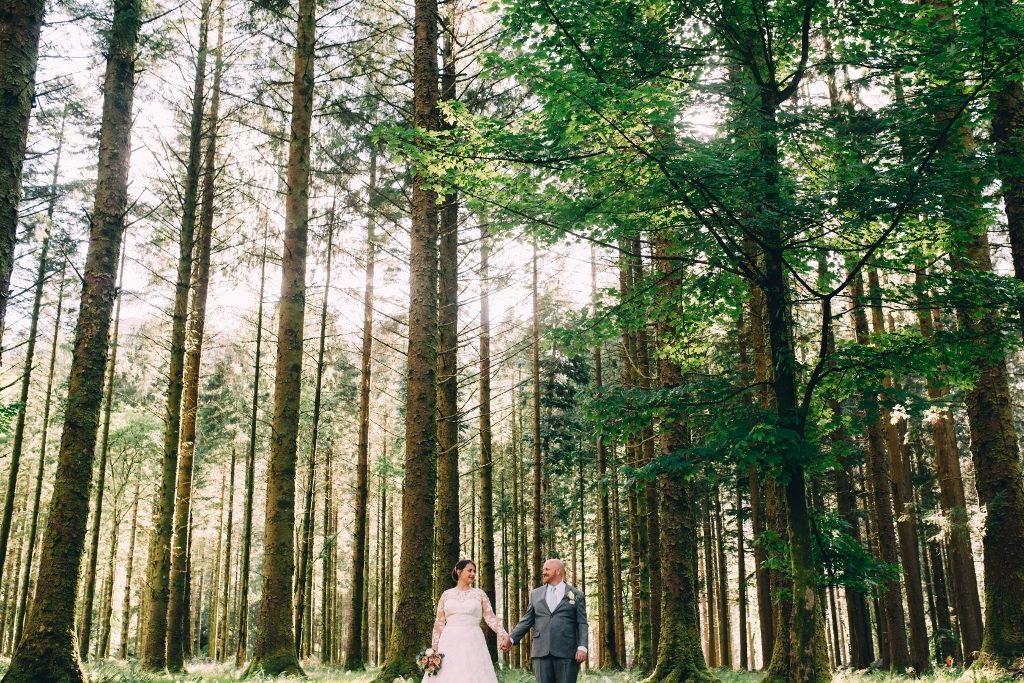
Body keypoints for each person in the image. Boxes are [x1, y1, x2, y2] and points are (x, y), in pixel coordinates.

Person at [502, 558, 588, 683]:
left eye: (547, 569)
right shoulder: (535, 594)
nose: (544, 572)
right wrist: (511, 638)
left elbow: (582, 623)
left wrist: (582, 647)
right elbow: (527, 620)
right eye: (543, 570)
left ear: (558, 571)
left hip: (567, 652)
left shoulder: (576, 594)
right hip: (541, 653)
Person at [427, 559, 508, 682]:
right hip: (449, 641)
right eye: (469, 570)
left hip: (473, 640)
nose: (473, 574)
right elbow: (439, 623)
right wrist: (434, 649)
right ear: (459, 572)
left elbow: (491, 618)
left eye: (474, 571)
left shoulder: (479, 594)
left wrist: (504, 634)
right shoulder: (446, 595)